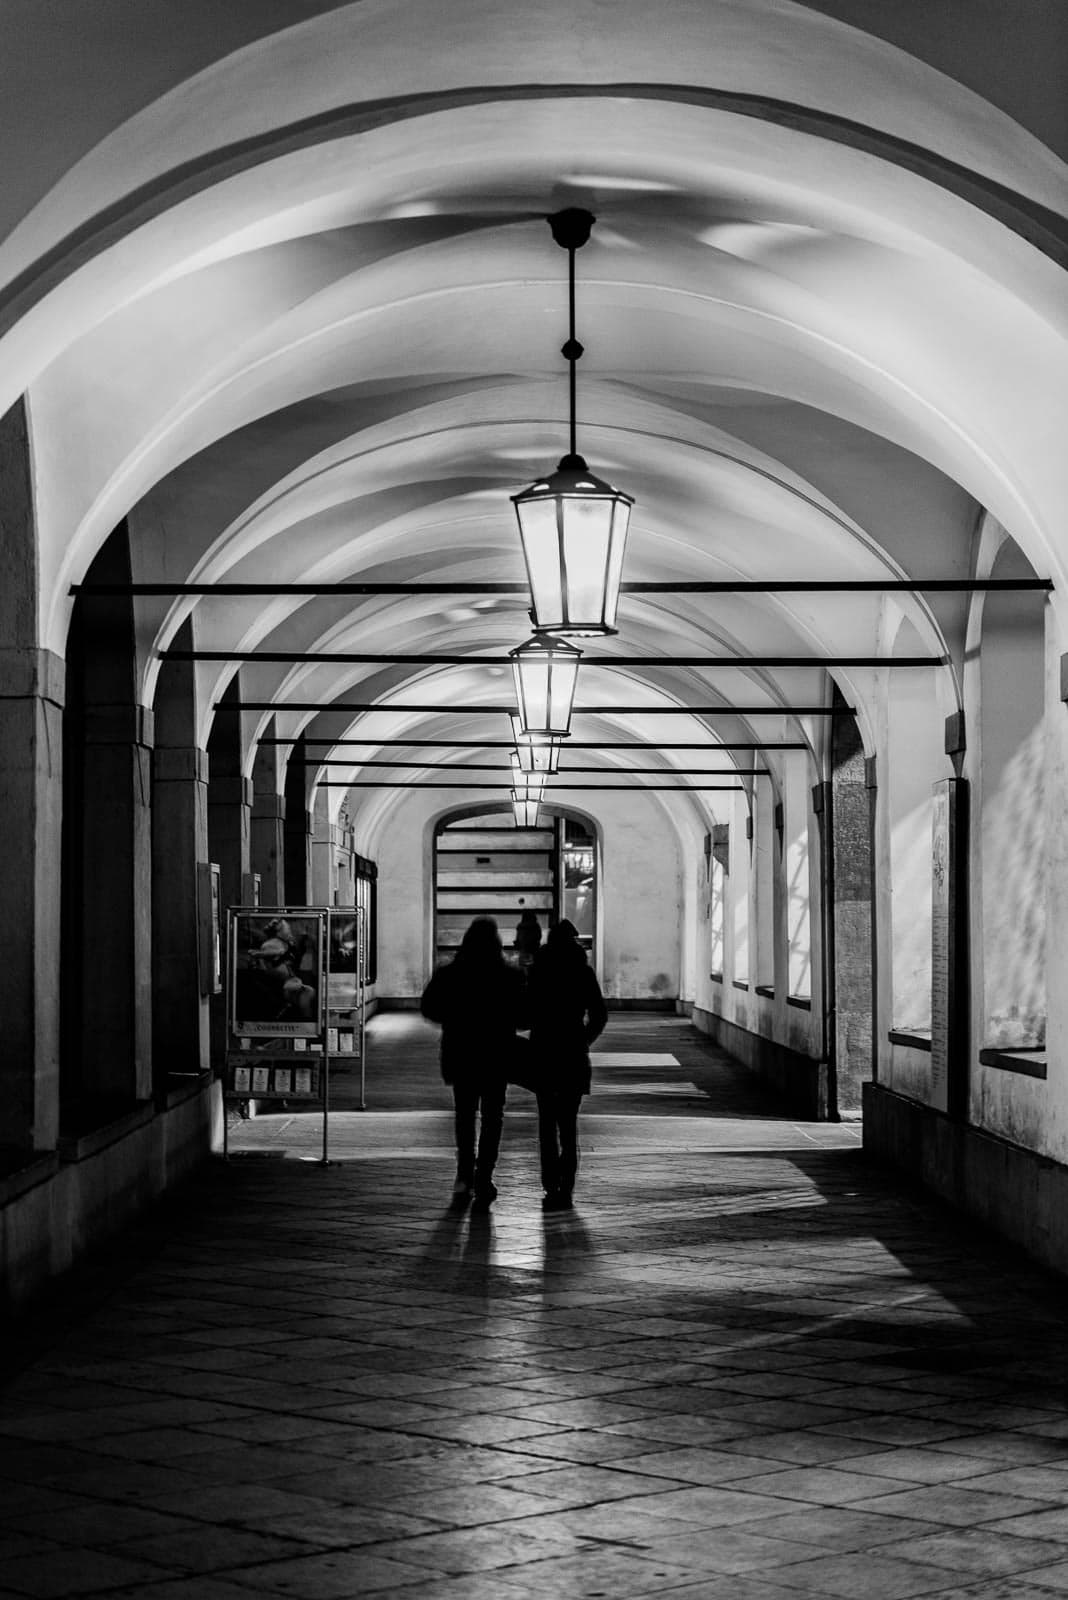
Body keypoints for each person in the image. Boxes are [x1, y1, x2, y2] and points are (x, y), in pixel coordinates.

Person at [420, 917, 527, 1208]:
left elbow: (428, 1007)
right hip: (496, 1055)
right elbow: (524, 1016)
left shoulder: (450, 974)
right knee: (493, 1117)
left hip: (461, 1053)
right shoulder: (510, 976)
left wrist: (455, 1018)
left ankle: (464, 1175)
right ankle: (484, 1177)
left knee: (464, 1116)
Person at [528, 919, 607, 1210]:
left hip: (544, 1051)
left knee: (547, 1123)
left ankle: (550, 1185)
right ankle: (567, 1187)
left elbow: (526, 1013)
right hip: (573, 1053)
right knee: (568, 1125)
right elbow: (599, 1015)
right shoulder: (583, 973)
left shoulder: (539, 970)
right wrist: (584, 1039)